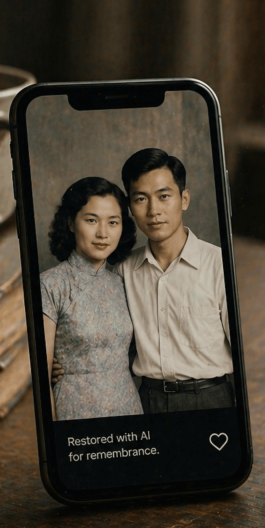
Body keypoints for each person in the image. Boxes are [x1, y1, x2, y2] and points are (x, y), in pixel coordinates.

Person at [115, 148, 235, 414]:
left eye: (164, 196)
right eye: (140, 199)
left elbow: (242, 351)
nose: (153, 210)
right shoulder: (124, 270)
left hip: (209, 398)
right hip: (148, 400)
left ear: (184, 199)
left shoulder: (218, 263)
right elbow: (115, 343)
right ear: (130, 207)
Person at [40, 177, 142, 420]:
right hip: (75, 411)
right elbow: (39, 374)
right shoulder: (50, 283)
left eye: (113, 222)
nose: (102, 233)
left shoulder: (121, 282)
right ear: (71, 223)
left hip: (128, 408)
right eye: (91, 220)